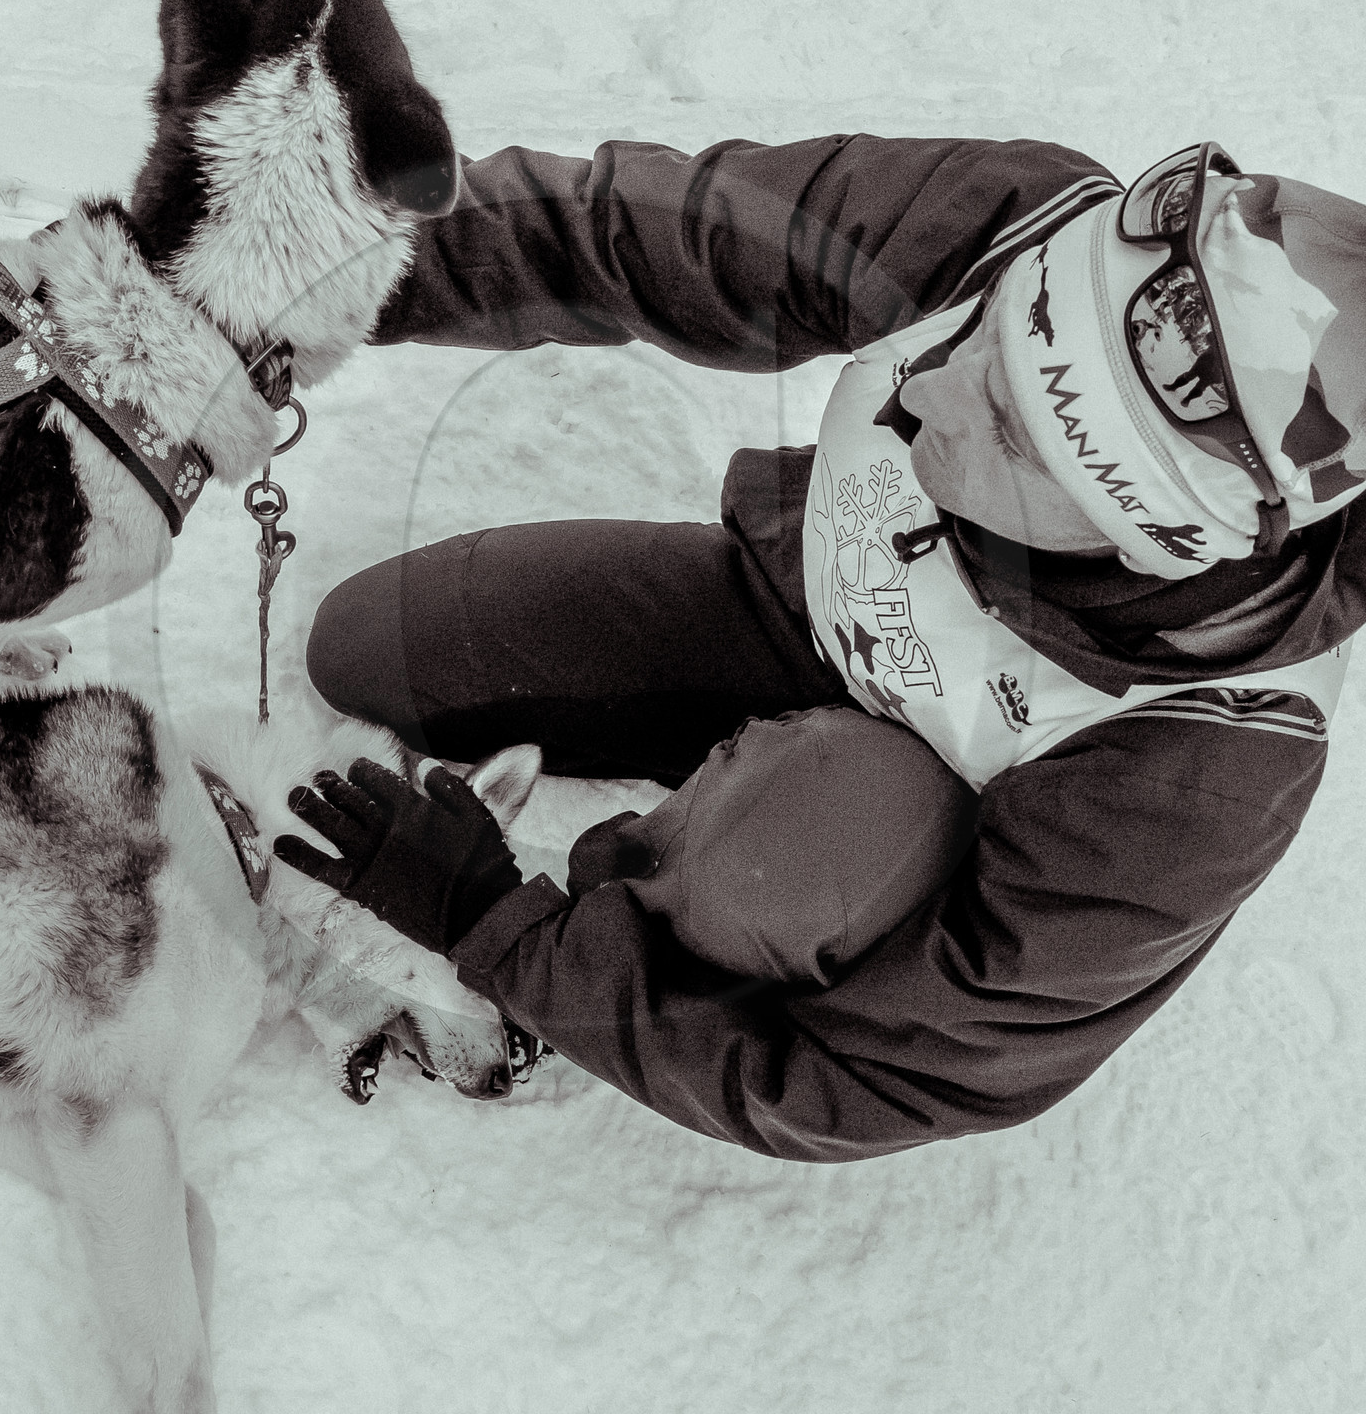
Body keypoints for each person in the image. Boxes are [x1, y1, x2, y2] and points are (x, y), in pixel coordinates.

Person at [273, 133, 1366, 1163]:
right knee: (374, 649)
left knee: (792, 862)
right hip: (788, 612)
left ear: (1148, 539)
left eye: (1010, 424)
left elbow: (863, 1076)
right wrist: (331, 271)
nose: (927, 389)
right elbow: (661, 233)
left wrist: (495, 926)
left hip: (897, 818)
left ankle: (654, 911)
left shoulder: (1201, 776)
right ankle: (740, 787)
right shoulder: (1017, 219)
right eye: (980, 335)